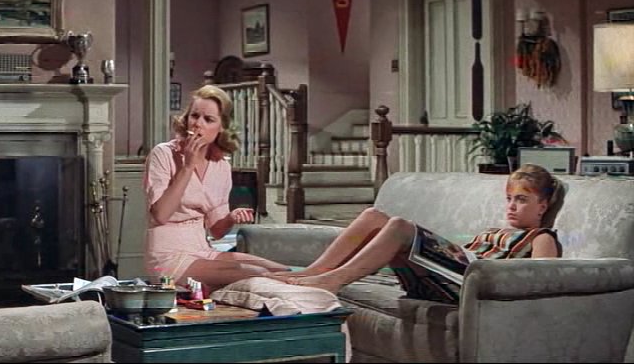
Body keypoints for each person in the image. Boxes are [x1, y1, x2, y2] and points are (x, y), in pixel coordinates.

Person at [270, 164, 562, 303]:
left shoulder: (541, 237)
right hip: (444, 275)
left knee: (399, 226)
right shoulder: (496, 231)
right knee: (373, 216)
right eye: (509, 199)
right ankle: (315, 271)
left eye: (522, 200)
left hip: (471, 283)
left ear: (543, 206)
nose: (511, 206)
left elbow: (542, 281)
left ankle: (334, 280)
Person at [143, 85, 290, 290]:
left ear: (221, 127)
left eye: (208, 119)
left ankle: (317, 293)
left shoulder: (220, 166)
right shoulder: (163, 154)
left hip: (202, 249)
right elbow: (160, 215)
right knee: (257, 273)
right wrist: (187, 167)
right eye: (194, 116)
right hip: (168, 257)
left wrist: (231, 217)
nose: (198, 124)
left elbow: (216, 231)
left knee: (280, 270)